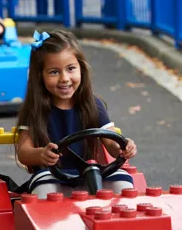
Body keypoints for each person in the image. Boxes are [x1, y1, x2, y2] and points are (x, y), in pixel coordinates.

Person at [14, 29, 137, 199]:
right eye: (54, 72)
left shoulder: (94, 105)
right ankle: (51, 224)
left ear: (81, 69)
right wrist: (40, 154)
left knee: (123, 182)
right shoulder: (35, 110)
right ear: (39, 76)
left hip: (90, 173)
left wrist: (124, 148)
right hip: (53, 176)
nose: (64, 78)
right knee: (44, 188)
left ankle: (116, 223)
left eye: (71, 69)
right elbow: (23, 152)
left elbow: (111, 145)